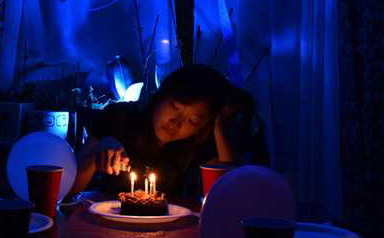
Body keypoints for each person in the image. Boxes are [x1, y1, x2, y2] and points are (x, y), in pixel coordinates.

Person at [69, 64, 268, 197]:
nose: (177, 122)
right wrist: (95, 154)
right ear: (160, 96)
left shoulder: (195, 146)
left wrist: (219, 126)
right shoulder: (120, 117)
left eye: (193, 121)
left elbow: (231, 193)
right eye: (174, 106)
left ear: (200, 129)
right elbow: (69, 189)